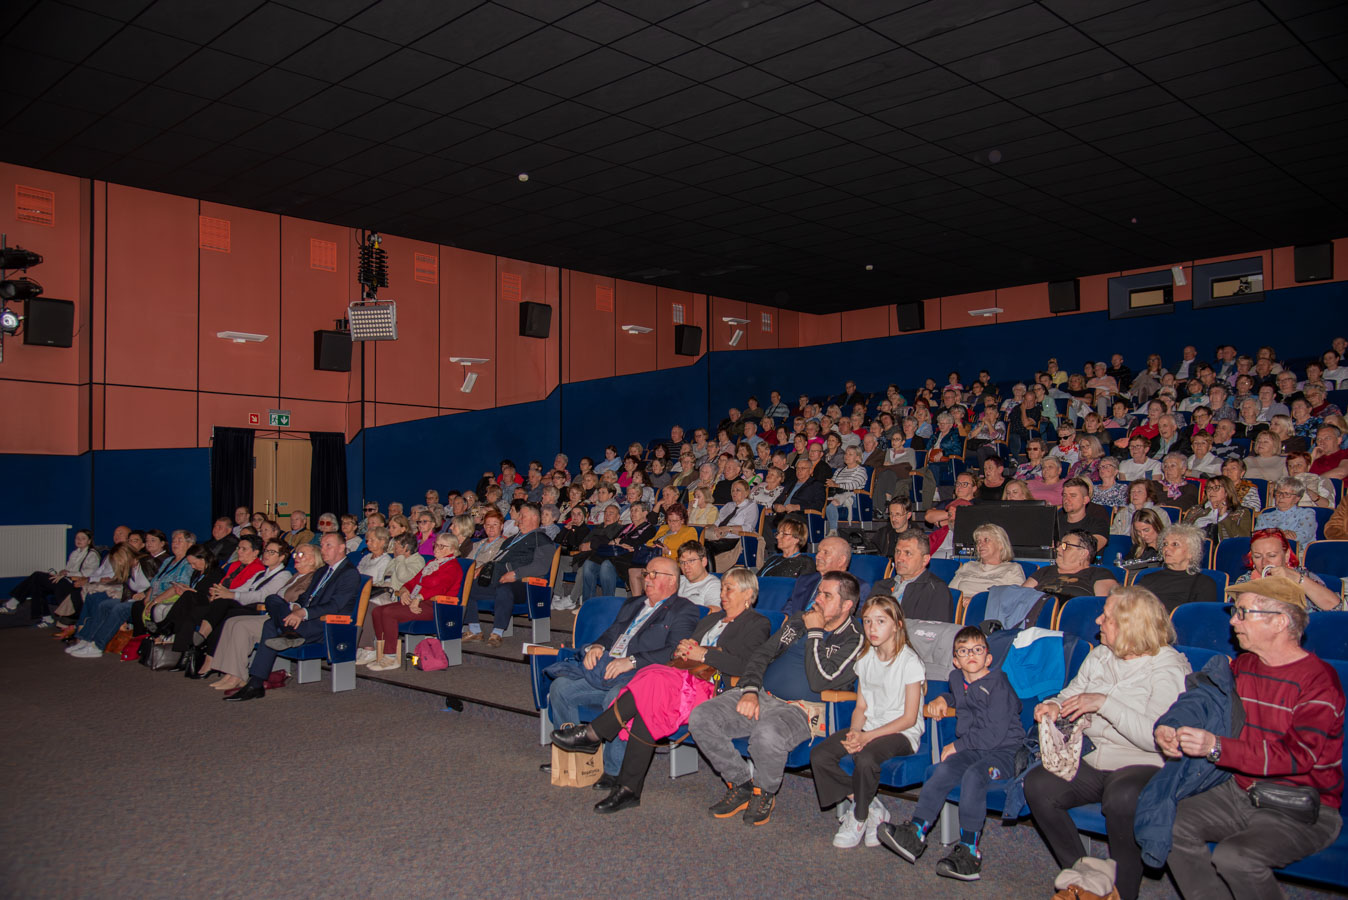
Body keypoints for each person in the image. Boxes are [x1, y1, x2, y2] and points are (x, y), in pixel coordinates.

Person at [1159, 577, 1343, 898]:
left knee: (1236, 858)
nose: (1232, 621)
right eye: (1235, 611)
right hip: (1240, 789)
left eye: (1243, 612)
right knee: (1165, 821)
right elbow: (1203, 701)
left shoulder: (1319, 681)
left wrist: (1216, 747)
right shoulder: (1245, 665)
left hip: (1300, 804)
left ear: (1280, 622)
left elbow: (1297, 756)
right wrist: (1172, 724)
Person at [548, 567, 771, 814]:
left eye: (729, 589)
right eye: (722, 588)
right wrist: (683, 649)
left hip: (712, 688)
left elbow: (747, 665)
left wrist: (703, 654)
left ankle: (594, 734)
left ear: (748, 593)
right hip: (681, 680)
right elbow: (681, 651)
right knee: (648, 703)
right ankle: (628, 789)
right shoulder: (711, 619)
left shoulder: (758, 623)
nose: (722, 594)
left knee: (653, 676)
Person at [1025, 586, 1190, 900]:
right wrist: (1054, 706)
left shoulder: (1168, 667)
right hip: (1094, 757)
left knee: (1123, 797)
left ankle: (1123, 892)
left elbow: (1157, 736)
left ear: (1130, 626)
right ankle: (1087, 880)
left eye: (1107, 617)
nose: (1098, 620)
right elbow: (1071, 695)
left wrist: (1104, 703)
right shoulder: (1101, 655)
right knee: (1038, 785)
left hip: (1143, 763)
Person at [689, 571, 865, 827]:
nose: (818, 599)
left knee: (767, 733)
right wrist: (750, 690)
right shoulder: (799, 620)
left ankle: (764, 792)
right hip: (762, 694)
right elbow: (761, 655)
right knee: (702, 716)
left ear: (847, 605)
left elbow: (821, 681)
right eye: (819, 593)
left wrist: (815, 632)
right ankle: (740, 783)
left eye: (827, 596)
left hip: (802, 709)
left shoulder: (855, 638)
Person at [879, 625, 1024, 881]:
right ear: (956, 661)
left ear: (988, 658)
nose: (971, 655)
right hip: (974, 748)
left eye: (978, 650)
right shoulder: (956, 678)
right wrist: (943, 700)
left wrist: (957, 745)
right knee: (943, 770)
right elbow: (961, 696)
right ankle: (916, 832)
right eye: (964, 651)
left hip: (1005, 752)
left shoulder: (998, 684)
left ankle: (969, 851)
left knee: (974, 776)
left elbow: (994, 734)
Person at [543, 556, 700, 785]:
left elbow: (674, 652)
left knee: (616, 697)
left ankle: (613, 770)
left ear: (672, 581)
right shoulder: (633, 603)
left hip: (640, 675)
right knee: (560, 687)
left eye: (653, 574)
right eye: (646, 574)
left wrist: (632, 661)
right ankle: (573, 757)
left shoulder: (684, 609)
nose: (647, 579)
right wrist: (597, 646)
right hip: (608, 668)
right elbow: (612, 633)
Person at [811, 595, 925, 848]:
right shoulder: (865, 659)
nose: (872, 628)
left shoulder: (909, 662)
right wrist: (854, 732)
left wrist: (866, 737)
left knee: (865, 758)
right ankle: (871, 806)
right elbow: (862, 706)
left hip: (902, 733)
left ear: (897, 625)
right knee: (820, 755)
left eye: (881, 621)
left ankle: (859, 816)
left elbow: (909, 718)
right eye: (867, 621)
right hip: (868, 727)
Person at [224, 532, 362, 702]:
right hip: (305, 619)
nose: (323, 550)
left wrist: (302, 613)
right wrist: (296, 607)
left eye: (329, 545)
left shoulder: (349, 573)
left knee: (271, 625)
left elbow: (335, 605)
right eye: (322, 545)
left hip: (325, 625)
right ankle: (258, 680)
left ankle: (256, 683)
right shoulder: (322, 571)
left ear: (341, 548)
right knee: (272, 600)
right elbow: (305, 597)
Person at [208, 541, 318, 694]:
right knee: (231, 622)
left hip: (286, 620)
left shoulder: (312, 578)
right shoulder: (295, 576)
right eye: (296, 554)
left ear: (313, 560)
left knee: (240, 625)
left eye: (301, 554)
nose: (296, 557)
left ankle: (237, 676)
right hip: (273, 615)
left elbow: (296, 602)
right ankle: (229, 673)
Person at [462, 502, 556, 648]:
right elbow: (497, 560)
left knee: (504, 589)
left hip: (525, 584)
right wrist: (483, 567)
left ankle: (497, 633)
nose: (518, 519)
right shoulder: (512, 540)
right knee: (466, 587)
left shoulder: (542, 540)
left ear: (534, 517)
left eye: (522, 516)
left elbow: (541, 567)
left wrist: (516, 574)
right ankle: (475, 630)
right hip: (498, 578)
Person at [367, 533, 464, 671]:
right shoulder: (432, 563)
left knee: (388, 612)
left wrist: (418, 598)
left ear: (452, 549)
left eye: (442, 546)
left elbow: (440, 589)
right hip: (419, 601)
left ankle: (390, 657)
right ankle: (381, 654)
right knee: (377, 611)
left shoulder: (453, 566)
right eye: (436, 545)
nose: (436, 548)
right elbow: (413, 581)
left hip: (438, 606)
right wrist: (404, 590)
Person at [1233, 529, 1344, 612]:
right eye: (1257, 556)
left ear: (1286, 556)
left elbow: (1336, 607)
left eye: (1272, 555)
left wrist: (1297, 578)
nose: (1264, 562)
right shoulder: (1245, 581)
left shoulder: (1304, 575)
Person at [4, 528, 100, 619]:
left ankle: (13, 603)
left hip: (76, 584)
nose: (79, 540)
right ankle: (46, 619)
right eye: (77, 538)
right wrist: (62, 572)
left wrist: (67, 574)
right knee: (37, 584)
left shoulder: (92, 555)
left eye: (83, 538)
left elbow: (88, 573)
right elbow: (68, 570)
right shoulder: (75, 553)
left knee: (37, 576)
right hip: (66, 580)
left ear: (89, 541)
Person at [871, 528, 954, 622]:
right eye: (898, 551)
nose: (899, 558)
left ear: (925, 560)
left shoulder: (936, 591)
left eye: (908, 553)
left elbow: (936, 629)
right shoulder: (881, 586)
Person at [1135, 524, 1219, 613]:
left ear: (1191, 552)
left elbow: (1199, 618)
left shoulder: (1203, 583)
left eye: (1175, 544)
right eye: (1165, 544)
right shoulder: (1147, 578)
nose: (1166, 548)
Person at [1023, 530, 1119, 598]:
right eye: (1059, 545)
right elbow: (1020, 595)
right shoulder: (1045, 571)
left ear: (1083, 553)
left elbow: (1104, 604)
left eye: (1065, 546)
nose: (1058, 549)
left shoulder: (1099, 574)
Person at [949, 524, 1025, 599]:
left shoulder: (1013, 569)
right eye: (978, 541)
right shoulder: (968, 566)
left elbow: (1015, 599)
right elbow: (949, 594)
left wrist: (974, 601)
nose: (980, 544)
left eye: (986, 540)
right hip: (961, 605)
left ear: (1000, 545)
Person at [1181, 474, 1253, 541]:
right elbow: (1181, 531)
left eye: (1216, 488)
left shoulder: (1241, 512)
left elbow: (1243, 539)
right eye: (1208, 488)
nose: (1211, 491)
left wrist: (1224, 517)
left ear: (1227, 491)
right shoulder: (1196, 509)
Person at [1254, 477, 1319, 549]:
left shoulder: (1306, 513)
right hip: (1268, 551)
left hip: (1298, 552)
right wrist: (1281, 535)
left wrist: (1273, 535)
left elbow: (1304, 535)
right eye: (1278, 493)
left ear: (1297, 498)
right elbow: (1257, 538)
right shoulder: (1264, 517)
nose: (1281, 497)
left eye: (1287, 494)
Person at [1056, 477, 1110, 553]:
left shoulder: (1098, 524)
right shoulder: (1055, 522)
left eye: (1073, 495)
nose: (1066, 500)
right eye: (1064, 495)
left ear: (1085, 500)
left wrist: (1059, 546)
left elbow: (1086, 551)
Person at [756, 514, 814, 579]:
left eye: (784, 534)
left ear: (797, 539)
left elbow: (804, 584)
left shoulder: (805, 563)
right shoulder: (773, 560)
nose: (777, 537)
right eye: (778, 533)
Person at [675, 541, 721, 609]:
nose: (686, 566)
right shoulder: (678, 580)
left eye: (691, 561)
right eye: (682, 562)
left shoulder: (713, 584)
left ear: (704, 562)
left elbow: (714, 610)